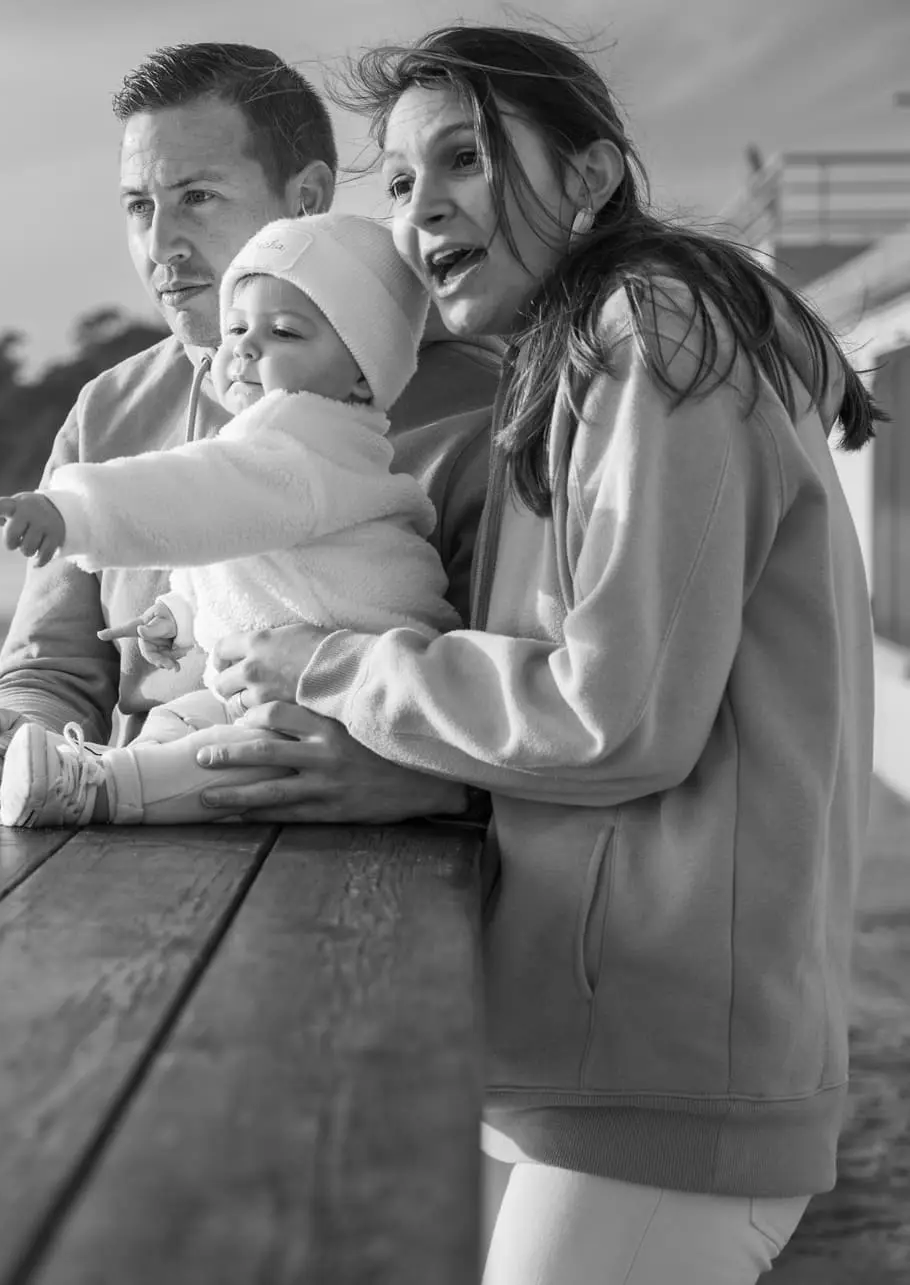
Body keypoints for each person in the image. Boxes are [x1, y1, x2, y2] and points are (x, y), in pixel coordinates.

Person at [208, 24, 880, 1283]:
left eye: (464, 158)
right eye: (399, 183)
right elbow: (631, 716)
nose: (422, 212)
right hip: (589, 1041)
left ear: (591, 176)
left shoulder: (659, 332)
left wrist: (317, 660)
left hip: (665, 1073)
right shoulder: (575, 362)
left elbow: (614, 719)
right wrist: (432, 774)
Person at [0, 43, 502, 824]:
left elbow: (542, 708)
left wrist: (437, 786)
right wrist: (10, 729)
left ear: (307, 200)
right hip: (134, 848)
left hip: (384, 870)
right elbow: (55, 666)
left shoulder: (485, 406)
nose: (160, 245)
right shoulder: (107, 411)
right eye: (139, 206)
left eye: (196, 196)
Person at [0, 212, 460, 827]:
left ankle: (103, 787)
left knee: (234, 754)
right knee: (179, 721)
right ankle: (119, 766)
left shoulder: (306, 450)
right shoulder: (272, 452)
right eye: (236, 329)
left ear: (362, 377)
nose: (246, 347)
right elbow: (239, 560)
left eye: (283, 333)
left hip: (343, 709)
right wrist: (177, 617)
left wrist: (72, 510)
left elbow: (193, 495)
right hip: (275, 687)